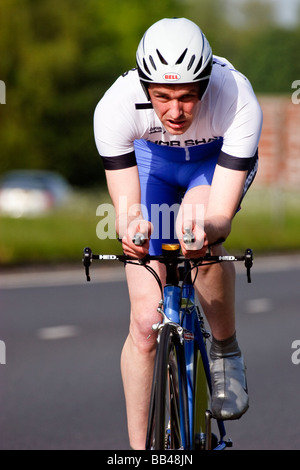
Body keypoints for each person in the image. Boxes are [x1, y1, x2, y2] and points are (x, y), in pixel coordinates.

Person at [94, 17, 263, 450]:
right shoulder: (115, 106)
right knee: (146, 322)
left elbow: (220, 216)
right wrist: (132, 227)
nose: (174, 111)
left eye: (188, 97)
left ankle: (225, 352)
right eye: (162, 97)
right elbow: (128, 208)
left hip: (213, 164)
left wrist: (205, 227)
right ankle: (139, 452)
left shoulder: (237, 98)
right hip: (153, 165)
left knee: (198, 232)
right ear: (144, 86)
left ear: (205, 85)